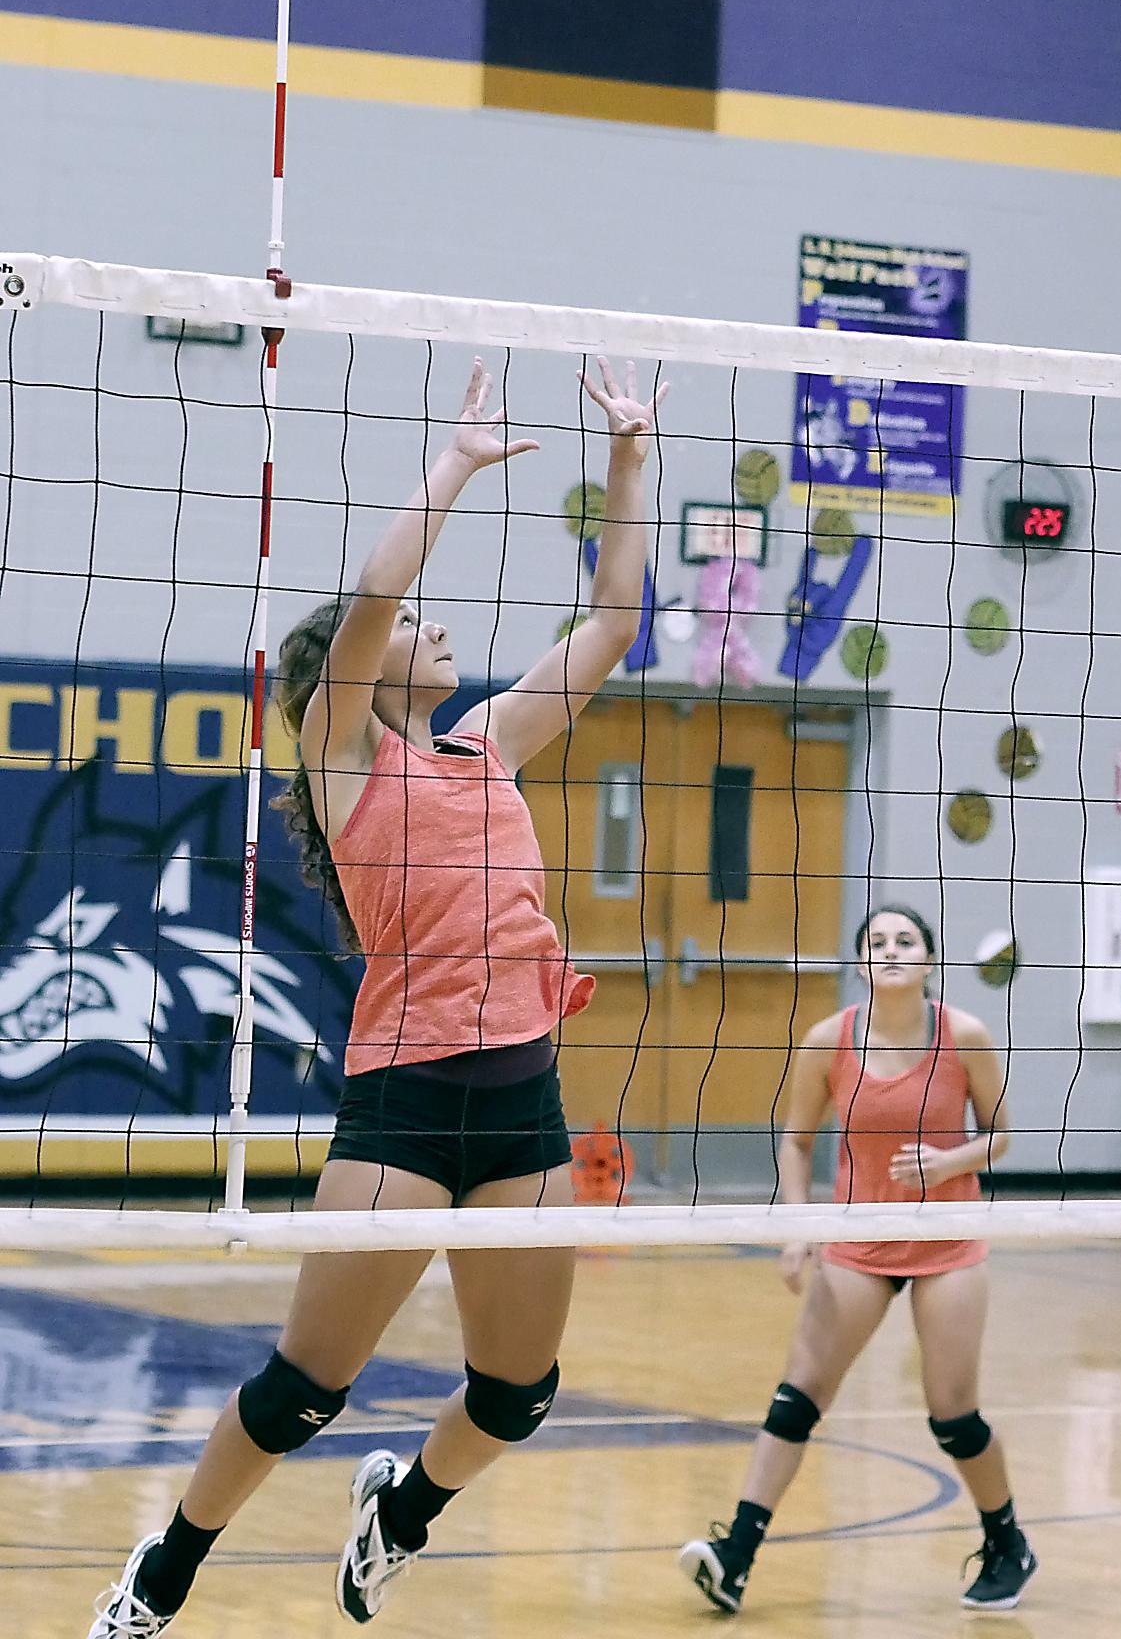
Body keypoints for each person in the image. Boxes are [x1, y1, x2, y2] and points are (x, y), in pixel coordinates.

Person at [90, 354, 666, 1635]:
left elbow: (617, 623)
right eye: (418, 629)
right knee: (305, 1386)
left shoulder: (489, 741)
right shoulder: (343, 753)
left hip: (525, 1102)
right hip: (405, 1106)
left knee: (518, 1390)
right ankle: (162, 1572)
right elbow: (370, 594)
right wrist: (453, 467)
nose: (435, 628)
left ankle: (399, 1515)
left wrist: (628, 456)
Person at [679, 906, 1037, 1616]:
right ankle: (735, 1556)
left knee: (952, 1418)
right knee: (796, 1397)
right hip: (856, 1240)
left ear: (928, 961)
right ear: (861, 963)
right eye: (876, 942)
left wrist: (946, 1161)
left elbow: (1000, 1135)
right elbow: (794, 1139)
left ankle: (1007, 1544)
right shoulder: (827, 1041)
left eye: (905, 940)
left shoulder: (964, 1035)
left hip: (946, 1241)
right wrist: (798, 1227)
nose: (890, 950)